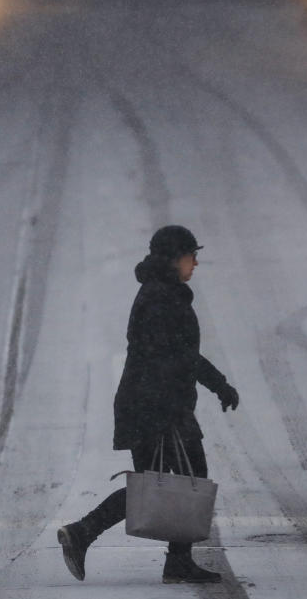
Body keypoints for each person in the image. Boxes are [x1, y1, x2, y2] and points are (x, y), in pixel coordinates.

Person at [58, 225, 240, 584]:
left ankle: (166, 557)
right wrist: (217, 385)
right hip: (156, 405)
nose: (196, 263)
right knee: (186, 480)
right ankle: (88, 533)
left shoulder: (163, 293)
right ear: (174, 258)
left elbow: (179, 355)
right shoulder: (161, 298)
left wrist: (213, 385)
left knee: (156, 485)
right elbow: (175, 357)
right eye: (191, 255)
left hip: (150, 402)